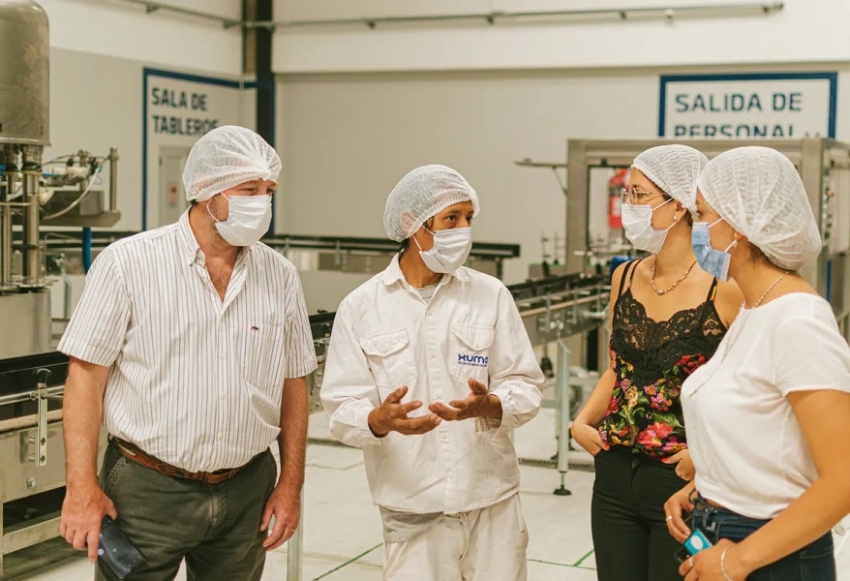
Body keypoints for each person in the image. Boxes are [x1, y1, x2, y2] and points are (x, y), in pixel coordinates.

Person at [57, 126, 317, 581]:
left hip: (246, 490)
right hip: (147, 489)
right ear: (205, 190)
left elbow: (293, 382)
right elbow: (85, 379)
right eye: (248, 190)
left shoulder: (279, 275)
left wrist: (291, 483)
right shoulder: (128, 264)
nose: (262, 203)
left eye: (269, 191)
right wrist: (81, 487)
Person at [320, 165, 543, 581]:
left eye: (468, 218)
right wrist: (378, 420)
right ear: (413, 224)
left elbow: (526, 384)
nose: (463, 230)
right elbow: (341, 407)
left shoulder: (490, 295)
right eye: (450, 219)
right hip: (411, 504)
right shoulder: (362, 307)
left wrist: (491, 404)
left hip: (491, 499)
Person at [665, 146, 850, 581]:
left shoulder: (798, 321)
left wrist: (736, 560)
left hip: (772, 552)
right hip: (719, 529)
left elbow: (843, 479)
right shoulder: (754, 308)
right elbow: (764, 433)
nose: (695, 228)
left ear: (739, 226)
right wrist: (704, 488)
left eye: (702, 214)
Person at [570, 145, 743, 581]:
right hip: (613, 474)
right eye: (627, 193)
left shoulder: (724, 288)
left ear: (679, 205)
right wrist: (582, 421)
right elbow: (619, 368)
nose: (628, 205)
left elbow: (744, 390)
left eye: (639, 194)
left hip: (680, 478)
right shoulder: (625, 276)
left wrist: (706, 456)